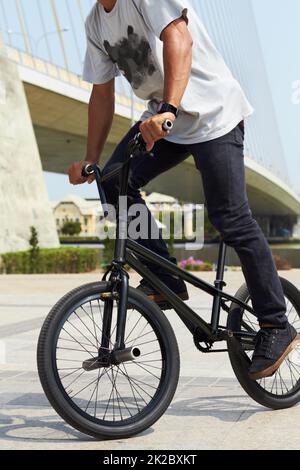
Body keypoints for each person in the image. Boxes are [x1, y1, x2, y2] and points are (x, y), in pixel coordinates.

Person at [68, 0, 299, 381]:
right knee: (113, 182)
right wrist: (90, 159)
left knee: (231, 217)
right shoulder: (95, 23)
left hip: (212, 115)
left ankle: (276, 325)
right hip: (163, 120)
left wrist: (170, 108)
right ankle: (167, 276)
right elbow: (102, 92)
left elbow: (179, 38)